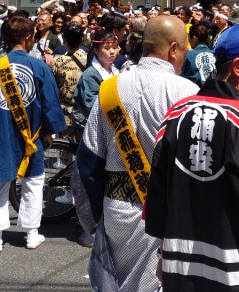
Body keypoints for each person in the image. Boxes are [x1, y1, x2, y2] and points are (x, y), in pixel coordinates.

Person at [143, 24, 239, 291]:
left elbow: (158, 189)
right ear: (238, 67)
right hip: (237, 267)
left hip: (179, 261)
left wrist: (163, 255)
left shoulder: (177, 112)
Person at [74, 15, 198, 292]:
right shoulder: (189, 93)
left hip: (115, 209)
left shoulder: (109, 90)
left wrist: (96, 219)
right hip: (167, 211)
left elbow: (88, 163)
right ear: (174, 48)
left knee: (117, 281)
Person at [0, 16, 65, 252]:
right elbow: (50, 102)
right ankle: (32, 234)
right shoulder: (39, 66)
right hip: (32, 134)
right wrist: (51, 130)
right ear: (30, 37)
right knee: (32, 183)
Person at [72, 32, 120, 127]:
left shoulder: (115, 69)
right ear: (96, 51)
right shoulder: (90, 75)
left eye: (114, 48)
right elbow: (91, 104)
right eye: (107, 48)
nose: (112, 51)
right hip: (90, 121)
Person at [49, 24, 88, 141]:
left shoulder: (57, 61)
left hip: (65, 112)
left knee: (65, 150)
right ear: (81, 39)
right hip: (84, 112)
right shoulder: (89, 58)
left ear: (64, 40)